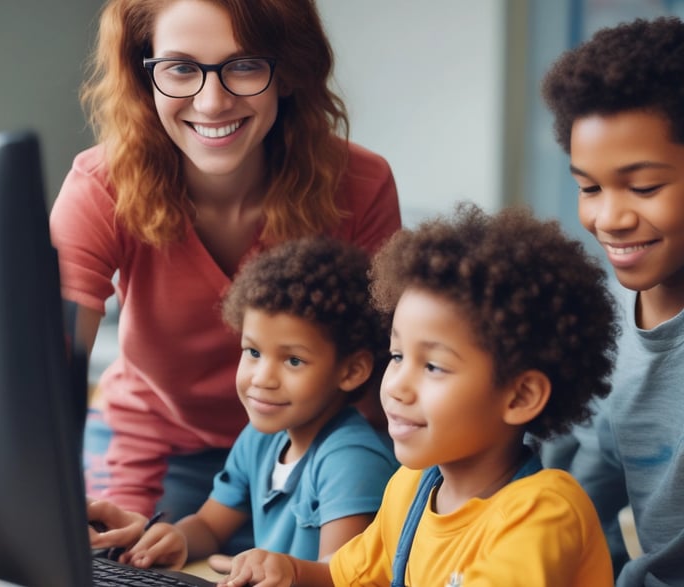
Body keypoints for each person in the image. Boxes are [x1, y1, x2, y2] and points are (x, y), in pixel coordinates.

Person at [48, 0, 401, 531]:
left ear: (287, 72)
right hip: (152, 445)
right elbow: (50, 373)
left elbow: (385, 375)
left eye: (244, 65)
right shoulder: (102, 186)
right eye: (181, 68)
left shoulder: (361, 185)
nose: (211, 103)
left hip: (311, 448)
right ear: (146, 76)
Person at [215, 203, 617, 587]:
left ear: (520, 396)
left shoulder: (542, 512)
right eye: (397, 355)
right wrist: (287, 570)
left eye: (433, 366)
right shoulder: (411, 487)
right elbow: (343, 577)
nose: (395, 386)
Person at [87, 237, 398, 572]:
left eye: (293, 360)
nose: (262, 378)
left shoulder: (351, 459)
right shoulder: (260, 437)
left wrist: (285, 570)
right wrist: (178, 538)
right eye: (253, 352)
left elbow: (342, 576)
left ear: (351, 371)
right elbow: (210, 525)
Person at [540, 16, 684, 585]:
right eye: (589, 187)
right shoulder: (608, 326)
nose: (610, 219)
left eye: (644, 187)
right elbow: (577, 498)